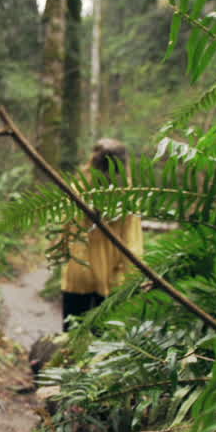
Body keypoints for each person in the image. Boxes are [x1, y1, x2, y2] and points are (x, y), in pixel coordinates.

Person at [58, 138, 143, 331]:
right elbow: (132, 243)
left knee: (72, 334)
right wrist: (134, 279)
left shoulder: (78, 190)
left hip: (79, 271)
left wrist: (60, 252)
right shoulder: (128, 196)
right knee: (102, 339)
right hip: (113, 276)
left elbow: (65, 227)